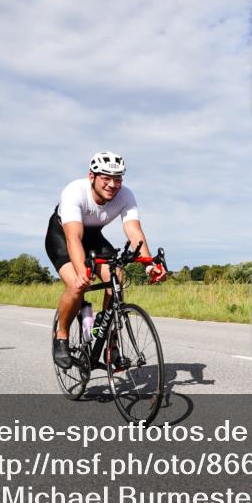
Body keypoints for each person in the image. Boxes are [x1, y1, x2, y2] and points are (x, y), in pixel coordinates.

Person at [46, 151, 166, 369]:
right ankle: (61, 335)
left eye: (118, 179)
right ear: (92, 177)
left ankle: (110, 344)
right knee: (77, 284)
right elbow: (74, 238)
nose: (112, 184)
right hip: (63, 237)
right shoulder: (75, 191)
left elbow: (134, 231)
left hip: (93, 238)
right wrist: (83, 272)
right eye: (106, 178)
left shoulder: (126, 195)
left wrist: (149, 265)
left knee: (117, 275)